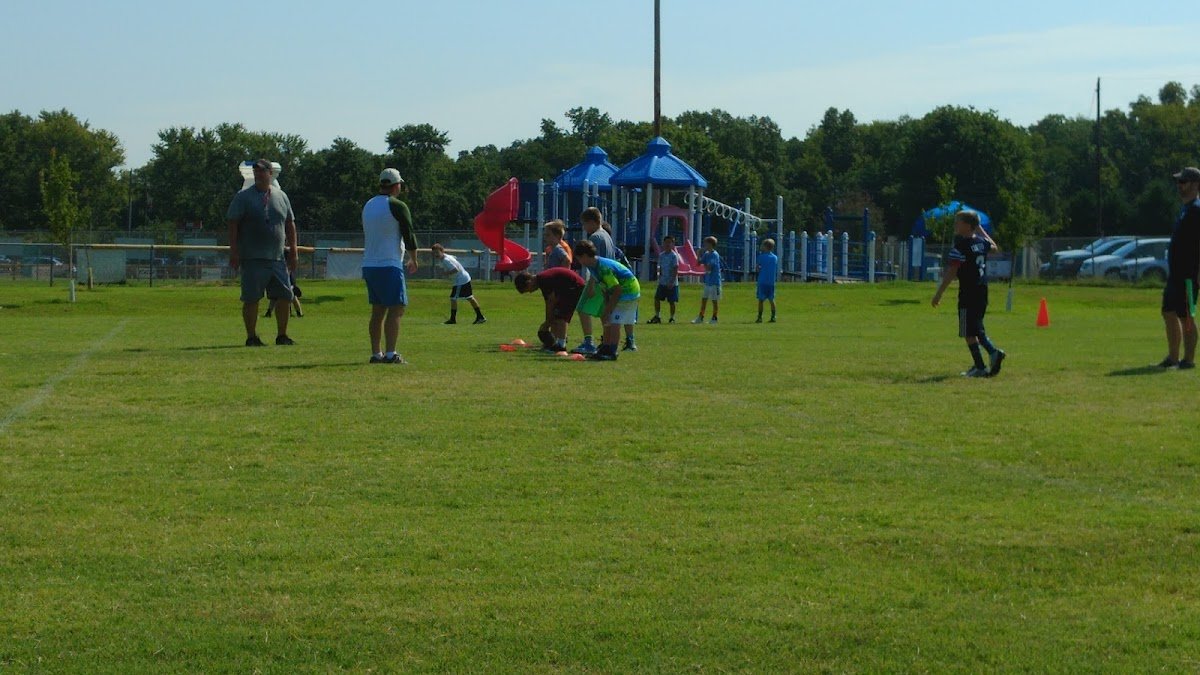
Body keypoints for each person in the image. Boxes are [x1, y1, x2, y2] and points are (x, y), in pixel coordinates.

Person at [226, 158, 298, 346]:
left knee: (285, 296)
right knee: (252, 298)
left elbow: (290, 223)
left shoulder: (281, 196)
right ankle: (252, 337)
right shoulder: (243, 197)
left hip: (277, 258)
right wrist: (234, 251)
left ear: (270, 173)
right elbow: (233, 223)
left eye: (261, 171)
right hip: (252, 257)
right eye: (255, 171)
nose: (258, 174)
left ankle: (282, 335)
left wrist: (294, 251)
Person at [931, 210, 1006, 377]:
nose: (955, 225)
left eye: (958, 222)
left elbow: (951, 273)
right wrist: (979, 228)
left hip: (967, 293)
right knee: (972, 328)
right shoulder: (981, 243)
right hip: (981, 291)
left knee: (970, 329)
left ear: (966, 226)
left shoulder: (960, 248)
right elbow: (994, 247)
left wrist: (939, 294)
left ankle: (992, 353)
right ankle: (980, 365)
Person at [361, 168, 418, 364]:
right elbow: (409, 235)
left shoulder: (368, 205)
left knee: (378, 310)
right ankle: (392, 353)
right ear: (396, 185)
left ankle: (376, 353)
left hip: (369, 263)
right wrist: (414, 258)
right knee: (397, 307)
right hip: (389, 263)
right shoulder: (397, 205)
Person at [572, 207, 637, 352]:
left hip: (602, 279)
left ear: (591, 222)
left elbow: (595, 261)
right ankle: (607, 342)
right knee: (605, 312)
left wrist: (591, 284)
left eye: (585, 224)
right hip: (609, 280)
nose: (584, 228)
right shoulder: (606, 235)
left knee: (582, 308)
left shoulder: (595, 237)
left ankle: (589, 341)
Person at [573, 239, 640, 361]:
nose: (579, 261)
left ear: (585, 256)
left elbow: (617, 289)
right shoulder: (592, 266)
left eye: (579, 258)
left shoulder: (603, 268)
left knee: (615, 321)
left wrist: (609, 309)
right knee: (608, 319)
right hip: (618, 291)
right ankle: (606, 346)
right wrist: (606, 305)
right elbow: (605, 287)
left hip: (628, 291)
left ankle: (612, 351)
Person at [1160, 166, 1200, 369]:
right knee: (1168, 311)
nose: (1179, 185)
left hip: (1189, 276)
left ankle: (1189, 360)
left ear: (1194, 185)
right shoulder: (1185, 209)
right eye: (1178, 182)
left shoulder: (1196, 210)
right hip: (1175, 275)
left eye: (1183, 182)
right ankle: (1172, 357)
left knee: (1187, 317)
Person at [514, 267, 586, 352]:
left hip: (574, 287)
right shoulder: (542, 280)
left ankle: (561, 345)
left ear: (529, 282)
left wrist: (546, 323)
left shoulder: (544, 280)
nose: (530, 292)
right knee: (556, 316)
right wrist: (548, 321)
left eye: (527, 290)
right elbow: (550, 302)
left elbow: (550, 302)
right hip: (568, 289)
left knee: (561, 317)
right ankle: (555, 342)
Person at [430, 243, 486, 324]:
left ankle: (453, 320)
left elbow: (455, 269)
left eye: (437, 253)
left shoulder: (446, 260)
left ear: (442, 251)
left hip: (461, 280)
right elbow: (454, 258)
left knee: (453, 298)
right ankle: (480, 317)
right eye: (434, 253)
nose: (436, 255)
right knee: (470, 297)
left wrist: (445, 273)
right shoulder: (446, 256)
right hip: (465, 278)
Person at [647, 235, 680, 324]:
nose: (667, 244)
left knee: (671, 301)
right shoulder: (661, 255)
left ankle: (672, 317)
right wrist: (658, 275)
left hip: (671, 283)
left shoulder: (674, 256)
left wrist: (672, 281)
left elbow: (675, 269)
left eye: (669, 242)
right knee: (657, 299)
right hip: (662, 281)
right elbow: (659, 267)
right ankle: (657, 316)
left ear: (673, 244)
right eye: (666, 242)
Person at [692, 236, 722, 324]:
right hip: (707, 282)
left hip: (714, 281)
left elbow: (709, 267)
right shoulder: (706, 254)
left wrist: (705, 265)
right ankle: (700, 317)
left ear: (711, 244)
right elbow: (698, 263)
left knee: (714, 300)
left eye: (706, 243)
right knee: (704, 299)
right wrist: (698, 254)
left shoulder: (714, 255)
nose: (704, 245)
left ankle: (714, 317)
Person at [756, 238, 779, 323]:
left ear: (765, 246)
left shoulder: (761, 257)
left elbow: (758, 268)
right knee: (771, 299)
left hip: (762, 281)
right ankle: (773, 316)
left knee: (761, 300)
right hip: (771, 282)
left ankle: (760, 317)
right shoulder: (775, 258)